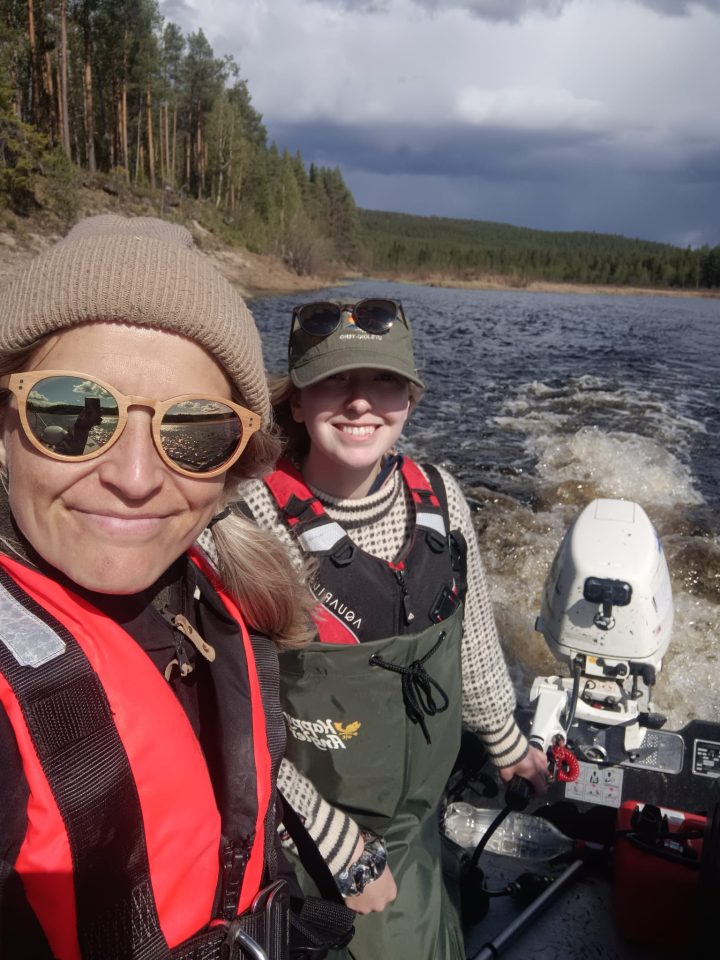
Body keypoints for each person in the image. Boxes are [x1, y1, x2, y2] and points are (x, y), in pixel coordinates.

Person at [0, 216, 353, 960]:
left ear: (233, 462)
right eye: (71, 413)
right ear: (5, 424)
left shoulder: (213, 591)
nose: (135, 479)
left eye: (193, 431)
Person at [227, 298, 550, 959]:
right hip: (311, 847)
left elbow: (475, 646)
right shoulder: (252, 517)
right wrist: (334, 845)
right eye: (334, 382)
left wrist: (509, 743)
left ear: (411, 396)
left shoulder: (443, 495)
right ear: (295, 401)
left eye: (383, 382)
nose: (360, 404)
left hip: (417, 829)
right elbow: (237, 724)